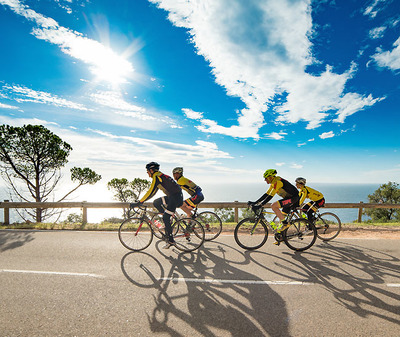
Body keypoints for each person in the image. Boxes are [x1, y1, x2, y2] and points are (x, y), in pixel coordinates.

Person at [131, 162, 183, 249]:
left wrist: (140, 202)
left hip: (175, 198)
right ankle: (167, 220)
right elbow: (153, 192)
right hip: (173, 197)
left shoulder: (157, 177)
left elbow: (151, 191)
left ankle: (171, 240)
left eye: (147, 171)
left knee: (165, 217)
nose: (147, 173)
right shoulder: (160, 176)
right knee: (156, 202)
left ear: (151, 170)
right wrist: (142, 200)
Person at [248, 169, 299, 244]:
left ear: (270, 177)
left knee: (274, 206)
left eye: (266, 178)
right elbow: (266, 194)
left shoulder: (277, 182)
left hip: (293, 198)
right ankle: (281, 237)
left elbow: (270, 196)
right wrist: (255, 202)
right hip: (289, 199)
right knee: (281, 218)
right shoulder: (273, 182)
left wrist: (261, 205)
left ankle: (286, 223)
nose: (265, 180)